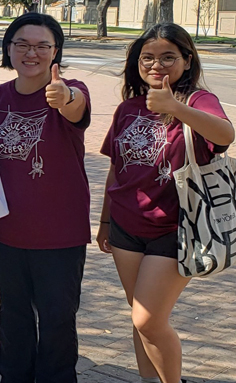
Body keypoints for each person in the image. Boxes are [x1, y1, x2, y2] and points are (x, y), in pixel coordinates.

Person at [97, 23, 234, 383]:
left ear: (187, 61)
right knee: (140, 317)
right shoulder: (128, 107)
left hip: (176, 227)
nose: (157, 65)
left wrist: (175, 107)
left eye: (168, 57)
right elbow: (116, 166)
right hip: (127, 226)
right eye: (148, 58)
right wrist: (105, 221)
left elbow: (225, 135)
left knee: (148, 319)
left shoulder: (198, 101)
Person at [0, 13, 91, 383]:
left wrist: (66, 98)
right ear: (8, 49)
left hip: (60, 235)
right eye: (22, 44)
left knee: (58, 317)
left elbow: (77, 106)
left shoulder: (70, 89)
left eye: (43, 46)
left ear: (56, 52)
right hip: (5, 232)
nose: (32, 53)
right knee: (13, 314)